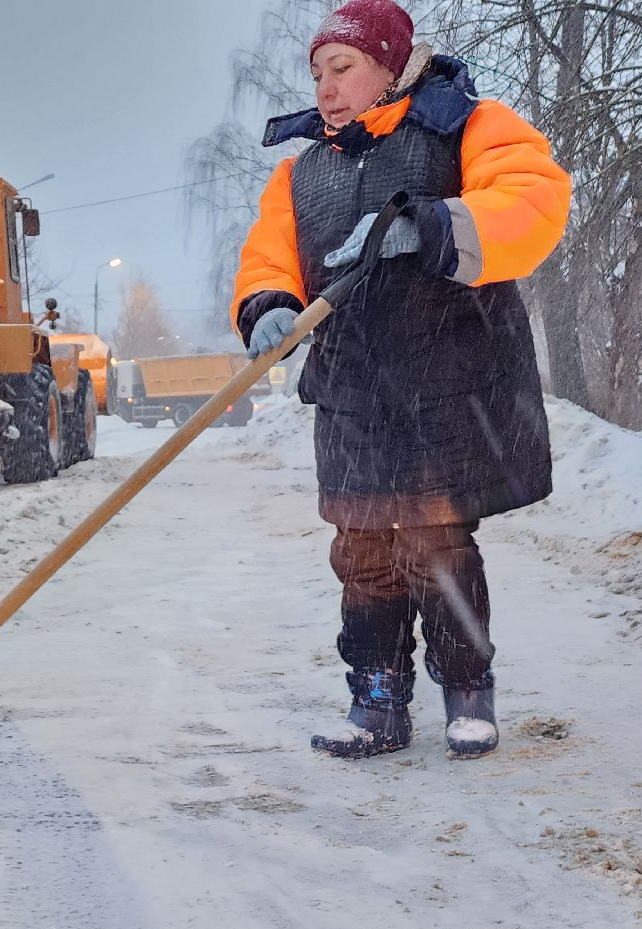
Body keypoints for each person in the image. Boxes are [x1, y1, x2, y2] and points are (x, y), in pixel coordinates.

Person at [229, 0, 571, 760]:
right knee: (361, 552)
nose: (324, 87)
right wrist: (266, 307)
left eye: (342, 67)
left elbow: (534, 198)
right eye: (316, 72)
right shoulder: (303, 172)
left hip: (444, 383)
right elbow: (269, 258)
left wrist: (434, 221)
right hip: (350, 391)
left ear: (391, 66)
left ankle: (466, 692)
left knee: (433, 543)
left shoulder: (460, 127)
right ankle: (377, 697)